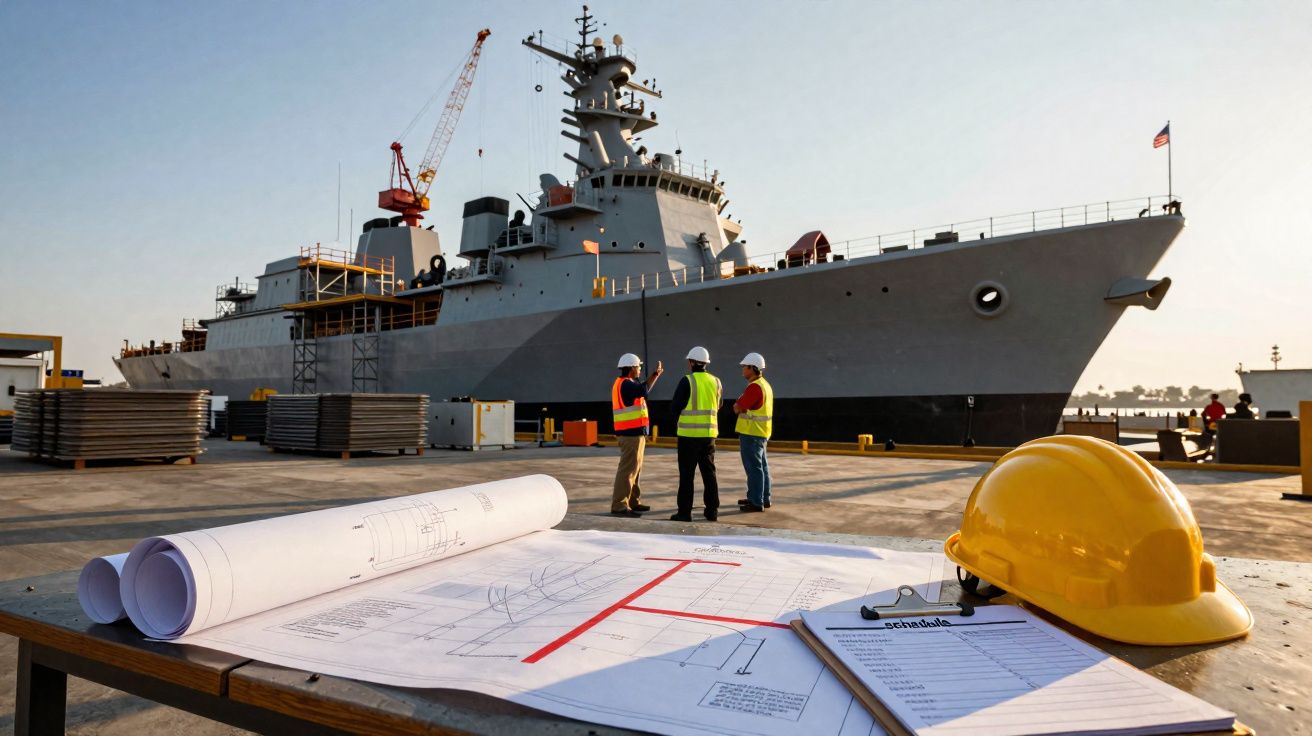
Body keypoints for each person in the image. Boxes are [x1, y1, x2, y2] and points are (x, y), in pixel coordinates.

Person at [669, 346, 721, 522]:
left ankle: (684, 513)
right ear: (706, 363)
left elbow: (675, 407)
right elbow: (718, 404)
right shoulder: (716, 381)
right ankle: (712, 511)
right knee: (709, 473)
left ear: (691, 363)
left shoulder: (687, 381)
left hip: (688, 436)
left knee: (687, 475)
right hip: (709, 435)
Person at [610, 353, 663, 517]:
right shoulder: (626, 384)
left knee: (635, 469)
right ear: (632, 368)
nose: (640, 369)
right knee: (628, 470)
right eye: (638, 366)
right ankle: (619, 505)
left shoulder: (627, 383)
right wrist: (655, 375)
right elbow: (643, 391)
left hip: (634, 433)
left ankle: (633, 501)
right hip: (630, 434)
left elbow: (641, 390)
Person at [733, 353, 773, 512]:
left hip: (752, 432)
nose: (742, 369)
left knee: (753, 468)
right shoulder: (765, 385)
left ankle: (756, 502)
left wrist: (737, 406)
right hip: (762, 432)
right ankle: (763, 497)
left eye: (744, 367)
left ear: (752, 368)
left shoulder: (755, 387)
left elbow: (739, 407)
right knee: (762, 466)